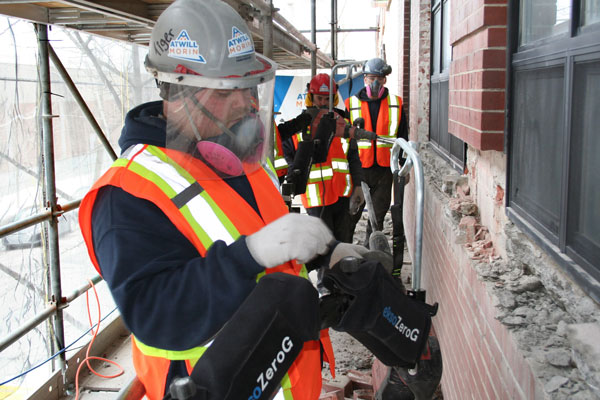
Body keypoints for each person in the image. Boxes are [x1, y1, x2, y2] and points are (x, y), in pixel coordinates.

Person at [77, 1, 366, 399]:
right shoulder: (127, 194)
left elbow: (266, 234)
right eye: (229, 90)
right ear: (180, 90)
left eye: (249, 87)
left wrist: (324, 252)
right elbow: (155, 313)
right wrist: (248, 255)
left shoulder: (239, 159)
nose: (247, 103)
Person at [282, 73, 364, 243]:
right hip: (315, 200)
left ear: (333, 100)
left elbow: (353, 157)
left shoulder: (344, 124)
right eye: (319, 98)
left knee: (343, 246)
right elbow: (284, 153)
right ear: (311, 98)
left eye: (327, 99)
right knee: (322, 250)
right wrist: (296, 169)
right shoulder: (299, 125)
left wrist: (358, 185)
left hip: (342, 195)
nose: (323, 103)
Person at [344, 58, 408, 246]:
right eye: (371, 77)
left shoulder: (395, 103)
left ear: (385, 80)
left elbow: (402, 137)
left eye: (379, 78)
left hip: (383, 170)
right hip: (358, 170)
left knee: (377, 219)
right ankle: (346, 253)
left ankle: (369, 256)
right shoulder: (351, 104)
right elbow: (343, 139)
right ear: (364, 79)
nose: (375, 82)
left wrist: (404, 166)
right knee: (351, 215)